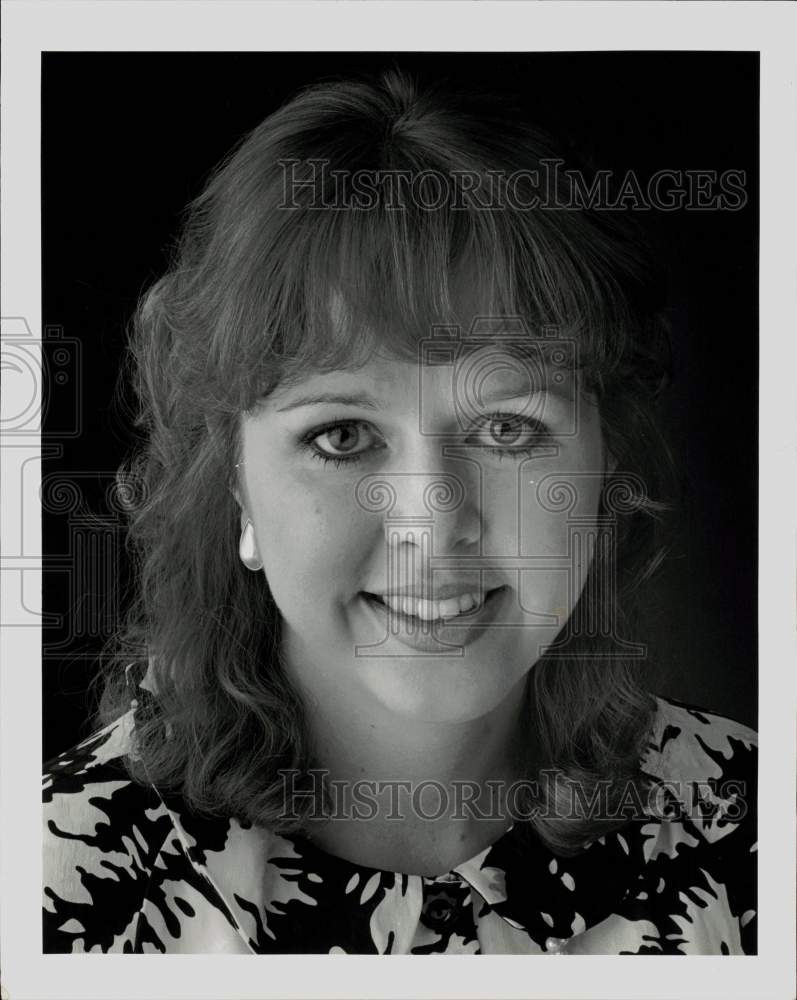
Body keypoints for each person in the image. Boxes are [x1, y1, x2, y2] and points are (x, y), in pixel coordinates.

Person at [42, 69, 757, 955]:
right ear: (233, 481)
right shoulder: (54, 890)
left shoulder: (752, 833)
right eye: (342, 435)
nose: (433, 522)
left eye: (506, 427)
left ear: (604, 463)